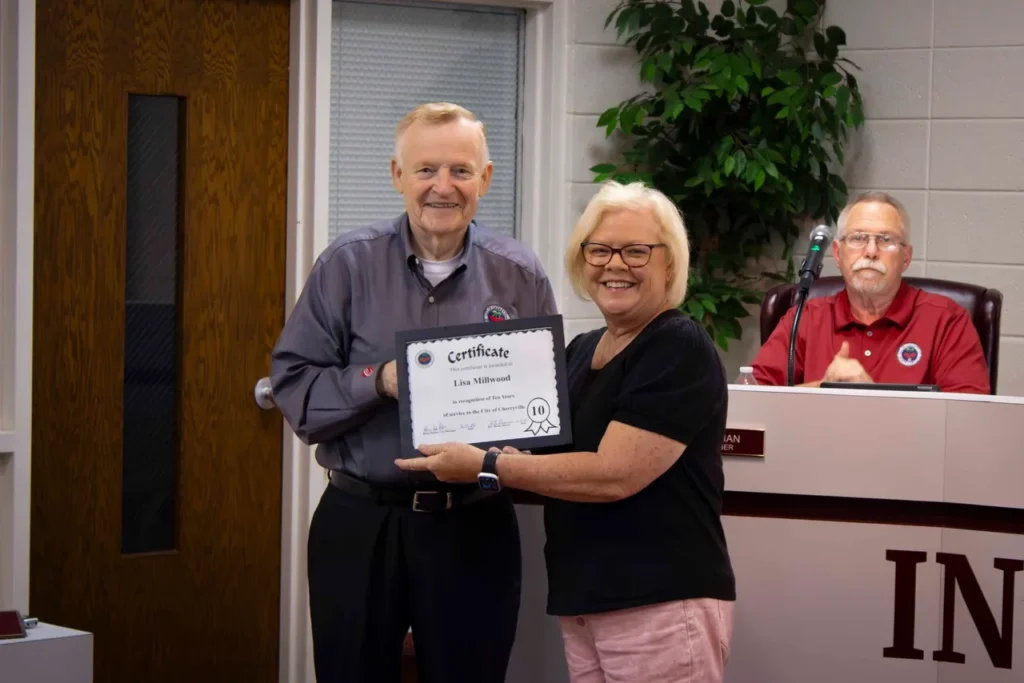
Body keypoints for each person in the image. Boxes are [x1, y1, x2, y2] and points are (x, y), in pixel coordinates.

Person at [398, 180, 737, 683]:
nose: (614, 264)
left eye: (636, 251)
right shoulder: (580, 350)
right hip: (587, 597)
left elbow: (612, 474)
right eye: (598, 249)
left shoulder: (676, 347)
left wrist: (486, 464)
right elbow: (546, 452)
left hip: (658, 599)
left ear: (671, 263)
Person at [270, 102, 558, 683]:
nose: (442, 187)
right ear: (397, 175)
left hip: (474, 525)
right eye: (426, 170)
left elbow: (542, 406)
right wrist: (380, 379)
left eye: (460, 170)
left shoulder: (519, 275)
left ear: (486, 178)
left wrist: (528, 447)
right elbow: (294, 385)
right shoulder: (345, 266)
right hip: (361, 522)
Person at [751, 191, 991, 393]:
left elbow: (968, 418)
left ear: (906, 257)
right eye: (858, 238)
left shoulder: (947, 320)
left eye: (886, 239)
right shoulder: (805, 318)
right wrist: (823, 389)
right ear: (837, 253)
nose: (871, 251)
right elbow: (753, 398)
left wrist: (870, 398)